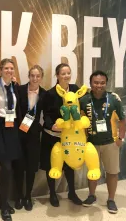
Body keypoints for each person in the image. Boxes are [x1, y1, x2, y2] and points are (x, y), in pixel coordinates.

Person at [80, 70, 126, 214]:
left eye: (102, 83)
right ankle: (91, 196)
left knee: (112, 172)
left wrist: (120, 138)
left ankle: (111, 199)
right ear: (91, 83)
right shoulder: (84, 100)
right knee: (92, 172)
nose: (99, 85)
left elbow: (122, 120)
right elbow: (80, 122)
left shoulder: (113, 99)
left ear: (106, 83)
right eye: (96, 82)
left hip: (110, 143)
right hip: (91, 144)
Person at [40, 63, 82, 207]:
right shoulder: (50, 93)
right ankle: (52, 193)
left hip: (69, 137)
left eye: (68, 73)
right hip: (52, 136)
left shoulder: (75, 89)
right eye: (63, 74)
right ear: (57, 76)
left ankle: (72, 192)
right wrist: (52, 125)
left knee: (69, 165)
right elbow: (46, 114)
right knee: (52, 166)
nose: (66, 76)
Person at [0, 58, 22, 221]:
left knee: (10, 166)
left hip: (12, 127)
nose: (9, 71)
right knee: (6, 167)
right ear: (0, 70)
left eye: (11, 68)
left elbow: (19, 107)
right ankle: (4, 204)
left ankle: (2, 202)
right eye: (6, 68)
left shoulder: (15, 87)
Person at [13, 65, 47, 211]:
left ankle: (28, 196)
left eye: (37, 76)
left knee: (31, 168)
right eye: (32, 75)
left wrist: (39, 128)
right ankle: (19, 196)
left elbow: (46, 114)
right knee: (19, 167)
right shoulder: (19, 90)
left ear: (41, 77)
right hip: (19, 135)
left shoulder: (45, 94)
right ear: (28, 76)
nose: (34, 78)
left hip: (34, 136)